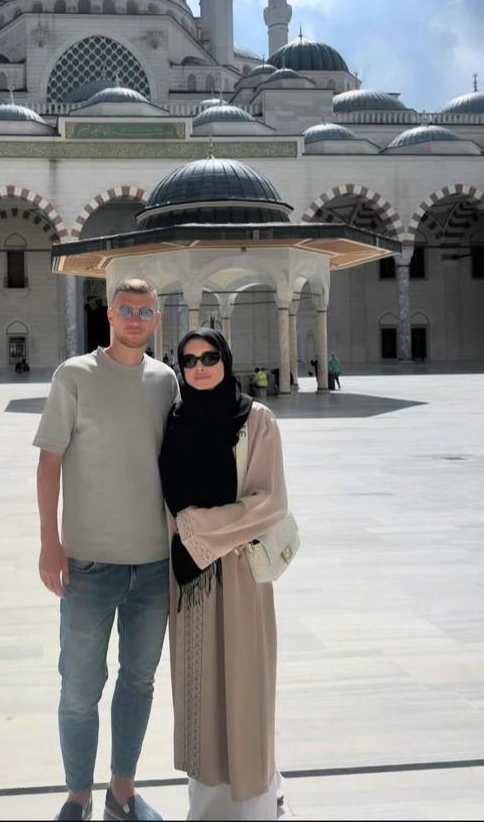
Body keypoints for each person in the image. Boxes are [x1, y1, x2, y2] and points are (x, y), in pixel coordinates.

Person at [34, 278, 180, 822]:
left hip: (153, 565)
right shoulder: (74, 375)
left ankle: (122, 791)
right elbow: (49, 461)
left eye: (145, 311)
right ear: (110, 316)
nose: (135, 319)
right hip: (89, 565)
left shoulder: (165, 381)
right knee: (79, 687)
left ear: (156, 320)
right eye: (126, 310)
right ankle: (78, 796)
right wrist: (50, 542)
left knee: (138, 681)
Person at [159, 329, 289, 821]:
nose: (200, 367)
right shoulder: (174, 422)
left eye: (210, 357)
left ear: (226, 360)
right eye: (190, 360)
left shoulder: (256, 421)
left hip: (238, 577)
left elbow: (269, 503)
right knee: (201, 693)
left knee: (245, 686)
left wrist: (197, 529)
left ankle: (256, 804)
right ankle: (207, 809)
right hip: (189, 584)